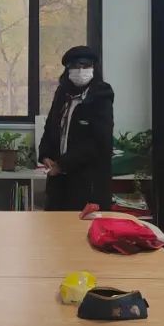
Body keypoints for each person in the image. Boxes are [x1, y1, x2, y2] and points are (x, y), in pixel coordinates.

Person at [38, 45, 115, 211]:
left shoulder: (101, 95)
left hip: (87, 183)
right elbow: (50, 126)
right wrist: (45, 155)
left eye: (85, 65)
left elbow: (99, 142)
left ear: (94, 68)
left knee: (81, 226)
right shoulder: (62, 93)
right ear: (67, 70)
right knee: (53, 224)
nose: (80, 70)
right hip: (58, 182)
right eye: (75, 66)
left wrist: (62, 164)